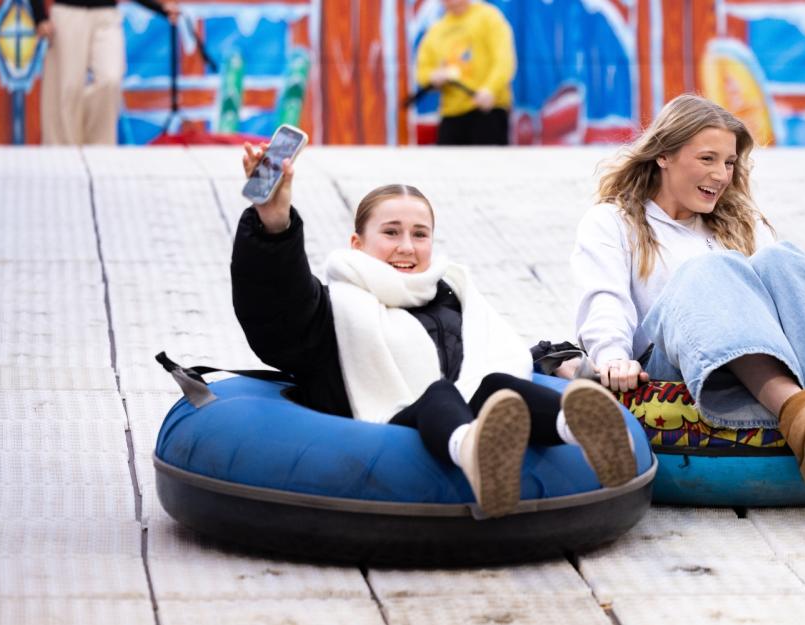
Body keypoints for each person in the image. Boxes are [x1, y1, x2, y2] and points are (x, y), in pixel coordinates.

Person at [230, 144, 635, 518]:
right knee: (439, 392)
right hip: (377, 433)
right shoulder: (331, 308)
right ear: (357, 242)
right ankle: (473, 452)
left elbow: (480, 358)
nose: (407, 246)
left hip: (471, 414)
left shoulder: (455, 298)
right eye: (391, 232)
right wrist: (274, 221)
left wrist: (547, 359)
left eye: (419, 234)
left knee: (497, 384)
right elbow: (277, 311)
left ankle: (581, 428)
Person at [571, 94, 805, 484]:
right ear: (664, 155)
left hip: (760, 360)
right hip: (669, 368)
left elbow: (788, 305)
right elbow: (604, 299)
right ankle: (796, 412)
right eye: (707, 159)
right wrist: (611, 357)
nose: (721, 175)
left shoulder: (736, 225)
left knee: (778, 259)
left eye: (729, 163)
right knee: (709, 269)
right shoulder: (613, 221)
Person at [30, 0, 180, 145]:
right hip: (68, 12)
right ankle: (64, 150)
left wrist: (159, 7)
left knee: (110, 78)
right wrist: (39, 17)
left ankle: (99, 149)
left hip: (106, 13)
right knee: (68, 87)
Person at [414, 0, 515, 146]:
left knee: (489, 166)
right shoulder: (436, 31)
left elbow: (504, 60)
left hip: (488, 110)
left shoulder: (488, 17)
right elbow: (422, 72)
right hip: (451, 114)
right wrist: (433, 77)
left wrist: (490, 89)